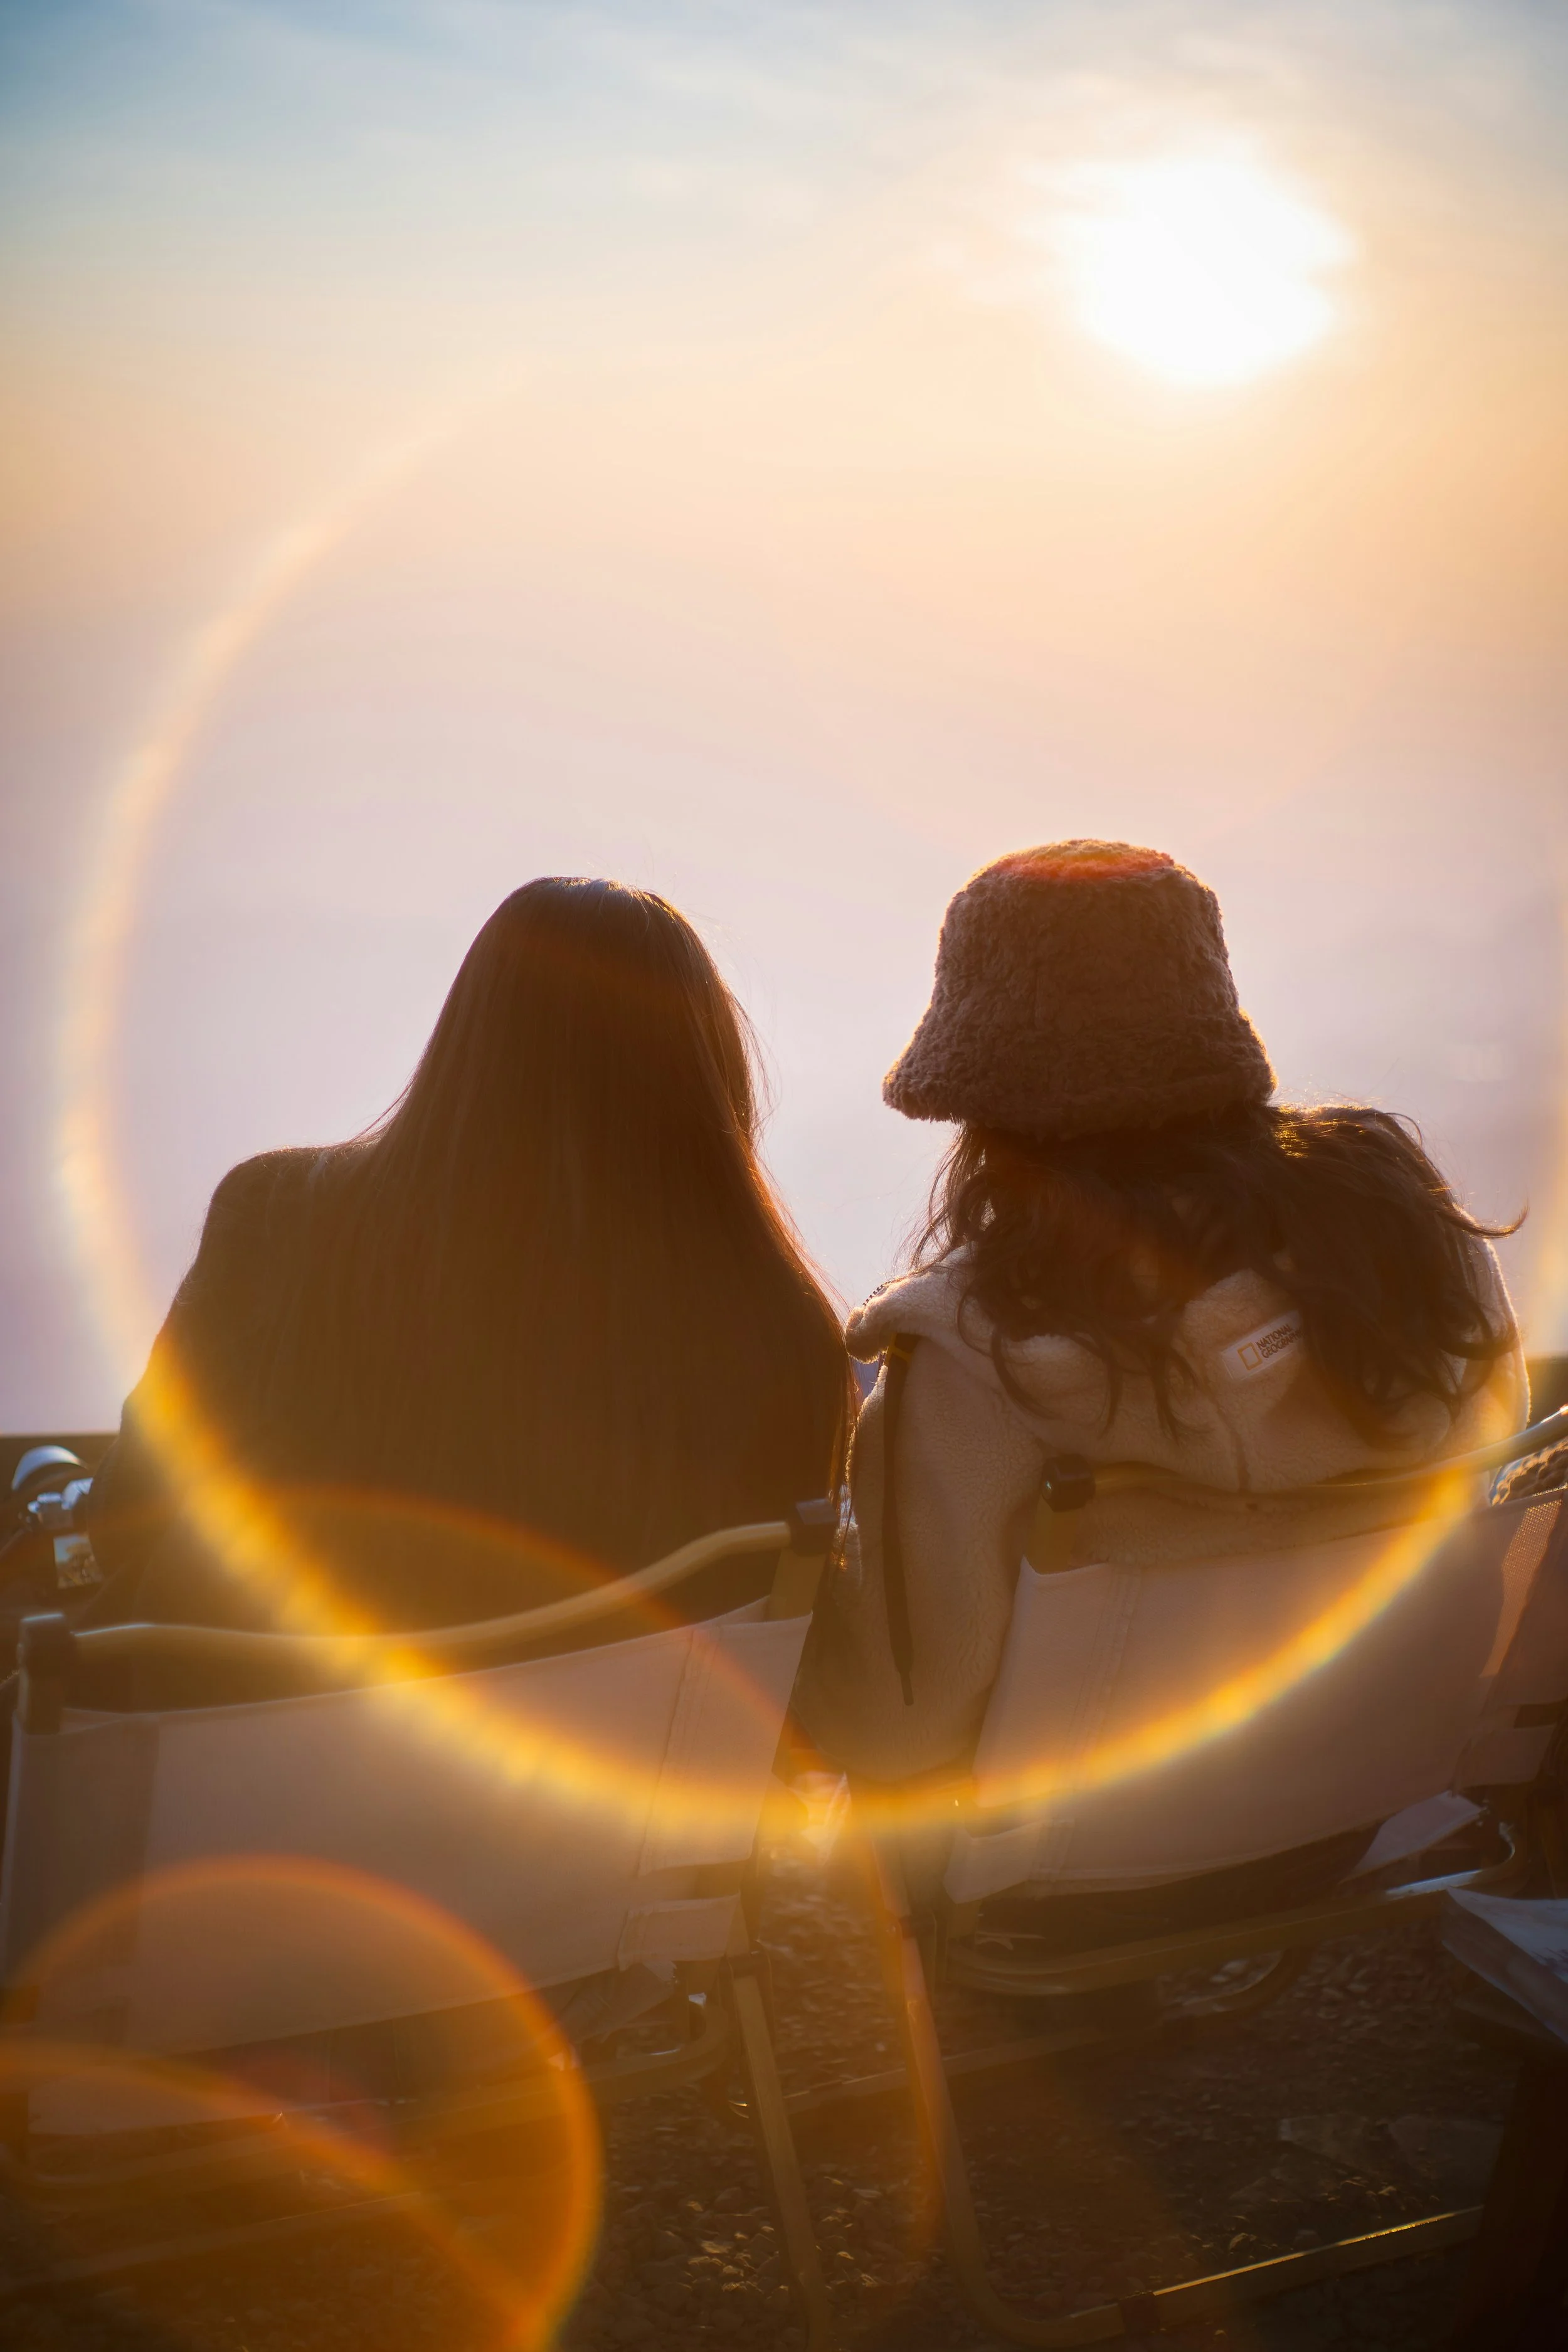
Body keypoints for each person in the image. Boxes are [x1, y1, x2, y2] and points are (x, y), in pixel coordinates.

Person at [799, 840, 1526, 1931]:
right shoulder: (1420, 1257)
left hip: (1054, 1886)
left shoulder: (969, 1359)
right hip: (1359, 1814)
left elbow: (907, 1726)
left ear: (981, 1103)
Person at [85, 879, 854, 1652]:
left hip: (242, 1764)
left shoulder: (277, 1220)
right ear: (710, 1076)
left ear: (467, 1043)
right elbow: (774, 1650)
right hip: (590, 1767)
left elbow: (126, 1521)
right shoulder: (787, 1342)